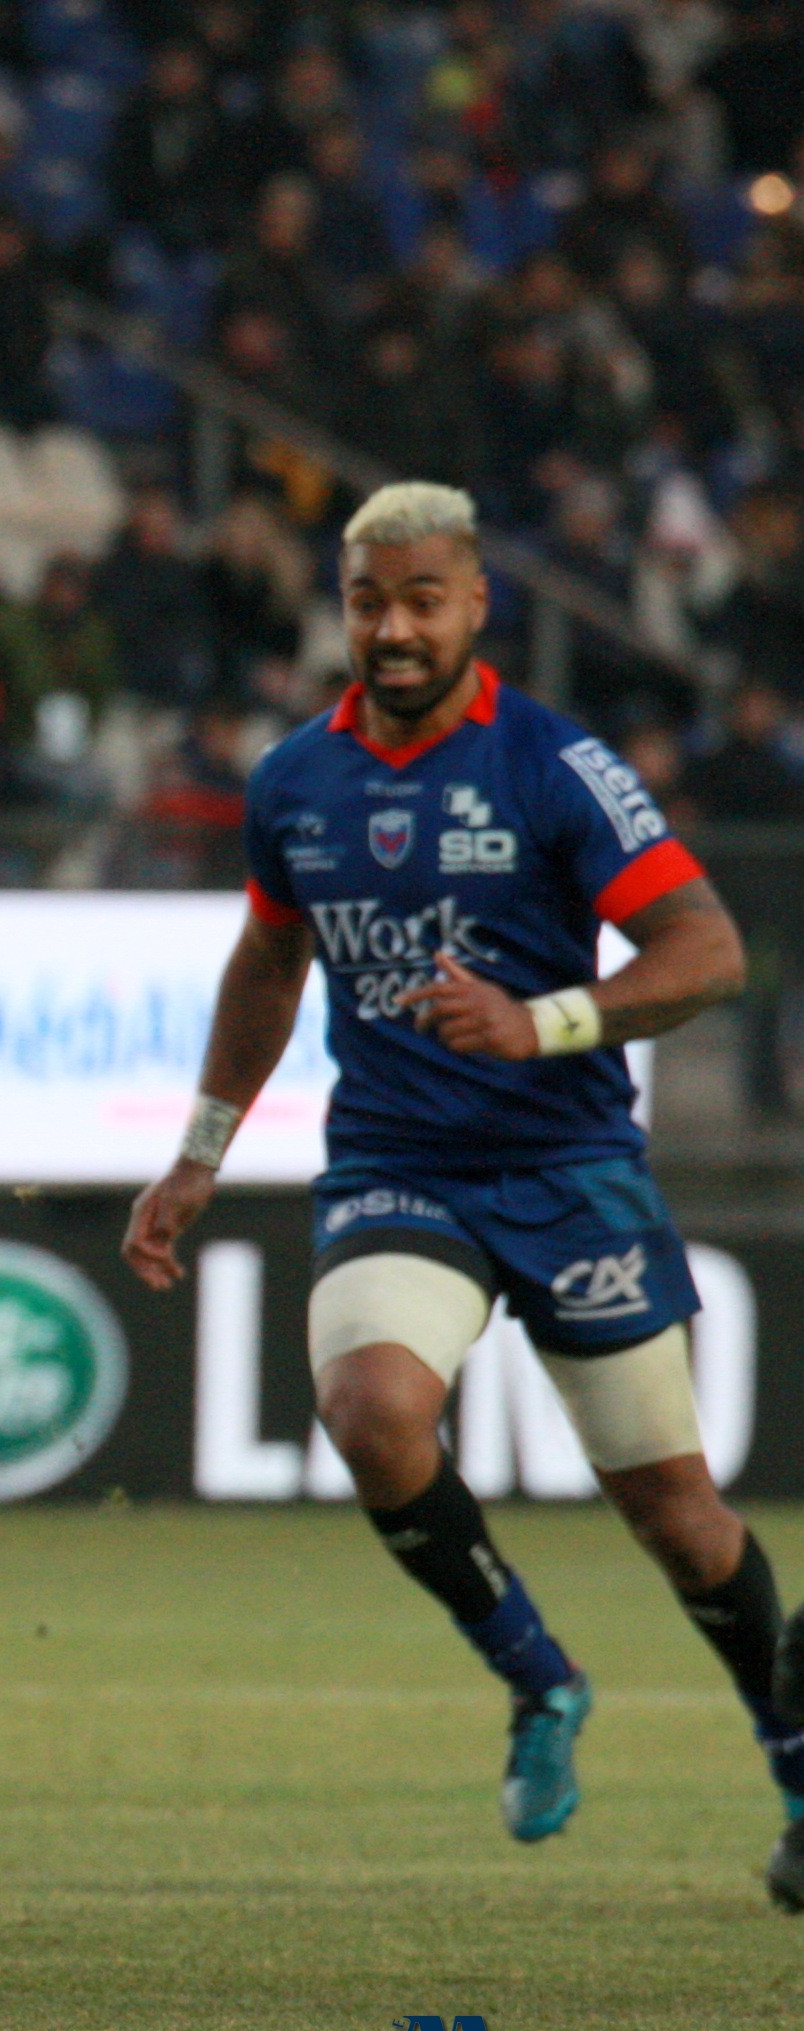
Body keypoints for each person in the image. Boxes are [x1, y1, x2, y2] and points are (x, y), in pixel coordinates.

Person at [121, 482, 804, 1904]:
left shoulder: (555, 764)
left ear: (476, 604)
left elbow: (709, 952)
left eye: (422, 599)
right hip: (399, 1165)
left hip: (569, 1167)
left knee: (677, 1514)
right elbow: (269, 962)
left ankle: (796, 1758)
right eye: (368, 600)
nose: (393, 628)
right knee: (371, 1409)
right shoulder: (294, 779)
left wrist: (541, 1019)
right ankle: (539, 1675)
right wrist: (199, 1151)